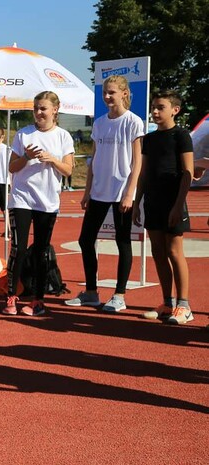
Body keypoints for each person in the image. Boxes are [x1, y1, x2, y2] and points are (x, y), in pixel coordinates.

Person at [67, 75, 144, 313]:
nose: (107, 97)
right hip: (99, 191)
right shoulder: (99, 123)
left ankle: (119, 295)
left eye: (112, 92)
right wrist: (87, 191)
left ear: (124, 93)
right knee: (85, 239)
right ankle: (91, 292)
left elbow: (137, 161)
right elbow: (94, 159)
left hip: (121, 191)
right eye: (104, 93)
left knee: (123, 241)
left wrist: (130, 193)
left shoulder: (133, 122)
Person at [3, 91, 75, 316]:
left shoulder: (63, 136)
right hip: (22, 198)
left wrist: (52, 159)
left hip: (47, 200)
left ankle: (38, 300)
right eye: (36, 108)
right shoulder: (23, 134)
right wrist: (26, 157)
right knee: (19, 248)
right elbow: (11, 168)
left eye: (43, 108)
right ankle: (12, 296)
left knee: (42, 251)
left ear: (55, 109)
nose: (38, 112)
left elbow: (68, 170)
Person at [133, 89, 195, 325]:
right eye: (154, 107)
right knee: (158, 252)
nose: (155, 111)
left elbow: (187, 173)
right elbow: (144, 173)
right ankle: (167, 303)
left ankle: (184, 305)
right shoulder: (149, 139)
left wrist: (178, 205)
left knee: (174, 251)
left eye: (161, 107)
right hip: (153, 201)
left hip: (173, 199)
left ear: (175, 110)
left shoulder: (181, 136)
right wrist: (138, 202)